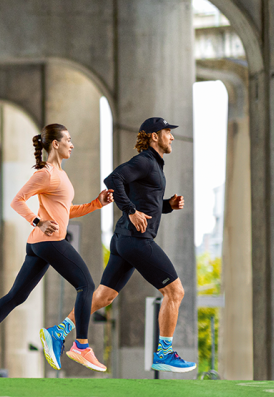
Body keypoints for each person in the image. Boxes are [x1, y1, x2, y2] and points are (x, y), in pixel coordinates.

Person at [41, 117, 196, 373]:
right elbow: (113, 180)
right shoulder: (145, 160)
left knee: (104, 297)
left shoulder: (154, 165)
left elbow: (146, 202)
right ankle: (164, 353)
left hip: (124, 240)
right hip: (136, 241)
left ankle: (58, 332)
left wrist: (167, 205)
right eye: (167, 132)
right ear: (154, 136)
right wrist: (131, 210)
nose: (172, 137)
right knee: (175, 292)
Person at [0, 123, 113, 374]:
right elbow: (17, 200)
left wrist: (97, 203)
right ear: (56, 144)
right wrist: (38, 222)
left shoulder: (60, 175)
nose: (72, 145)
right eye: (68, 140)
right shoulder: (46, 174)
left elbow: (67, 212)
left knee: (17, 296)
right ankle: (81, 346)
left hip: (38, 245)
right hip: (49, 242)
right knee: (86, 286)